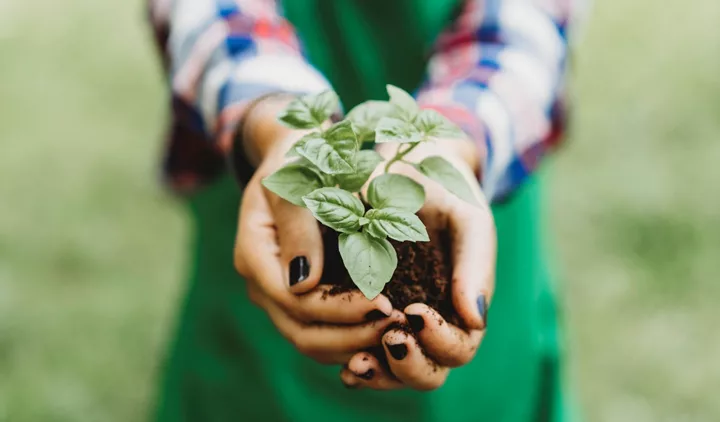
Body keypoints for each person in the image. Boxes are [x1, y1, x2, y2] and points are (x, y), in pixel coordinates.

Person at [147, 0, 575, 420]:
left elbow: (526, 17)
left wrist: (456, 139)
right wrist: (273, 117)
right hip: (267, 196)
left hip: (468, 193)